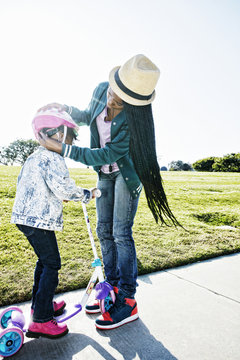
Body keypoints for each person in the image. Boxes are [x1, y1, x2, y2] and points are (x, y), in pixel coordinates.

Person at [38, 54, 181, 330]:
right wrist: (64, 108)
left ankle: (128, 299)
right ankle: (112, 287)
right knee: (104, 230)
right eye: (115, 93)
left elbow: (107, 153)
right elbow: (86, 115)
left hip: (127, 175)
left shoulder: (133, 119)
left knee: (120, 233)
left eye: (121, 100)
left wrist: (64, 149)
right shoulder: (101, 89)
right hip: (104, 173)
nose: (112, 101)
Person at [11, 108, 97, 339]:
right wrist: (89, 194)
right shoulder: (53, 158)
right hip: (38, 220)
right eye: (70, 137)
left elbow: (42, 186)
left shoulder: (35, 155)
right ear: (58, 134)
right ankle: (41, 320)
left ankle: (42, 305)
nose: (71, 143)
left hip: (26, 218)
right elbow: (63, 188)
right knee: (52, 264)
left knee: (44, 261)